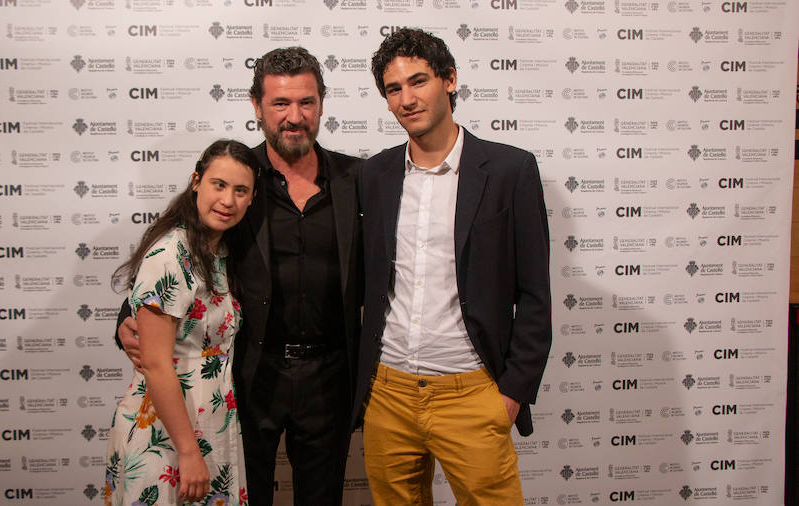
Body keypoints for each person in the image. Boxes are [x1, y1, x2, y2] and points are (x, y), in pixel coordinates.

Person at [116, 47, 363, 506]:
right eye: (280, 103)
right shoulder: (236, 178)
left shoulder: (357, 181)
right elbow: (181, 252)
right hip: (247, 378)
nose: (295, 116)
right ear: (257, 107)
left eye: (306, 102)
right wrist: (125, 321)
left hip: (331, 378)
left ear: (322, 105)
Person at [351, 28, 552, 505]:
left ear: (449, 80)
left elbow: (535, 295)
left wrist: (510, 394)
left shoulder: (509, 170)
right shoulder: (373, 175)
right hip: (389, 392)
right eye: (393, 89)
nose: (407, 98)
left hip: (472, 394)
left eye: (418, 81)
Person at [104, 140, 260, 506]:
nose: (228, 200)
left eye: (241, 191)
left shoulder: (219, 252)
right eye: (218, 185)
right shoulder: (170, 255)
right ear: (196, 182)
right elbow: (156, 364)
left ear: (252, 199)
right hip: (168, 435)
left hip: (211, 424)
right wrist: (189, 452)